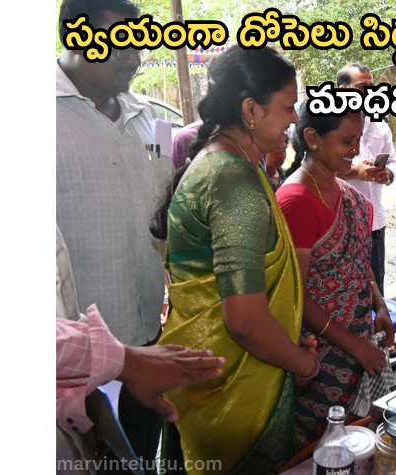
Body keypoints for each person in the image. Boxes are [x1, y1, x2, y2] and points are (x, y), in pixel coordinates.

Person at [150, 44, 321, 475]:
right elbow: (244, 320)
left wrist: (284, 335)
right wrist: (303, 363)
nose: (295, 119)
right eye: (287, 107)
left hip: (209, 372)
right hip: (234, 392)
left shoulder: (224, 161)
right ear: (250, 109)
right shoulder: (234, 181)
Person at [57, 0, 174, 468]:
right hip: (73, 353)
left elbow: (164, 206)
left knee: (141, 453)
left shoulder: (155, 119)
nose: (135, 55)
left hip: (148, 330)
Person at [56, 226, 226, 475]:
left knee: (139, 443)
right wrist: (124, 360)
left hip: (135, 338)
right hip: (112, 351)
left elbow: (66, 308)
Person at [277, 102, 395, 446]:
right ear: (312, 138)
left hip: (358, 341)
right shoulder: (295, 200)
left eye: (358, 139)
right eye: (347, 141)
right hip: (318, 355)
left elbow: (361, 262)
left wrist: (380, 305)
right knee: (322, 447)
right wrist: (355, 346)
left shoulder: (350, 195)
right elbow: (296, 296)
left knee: (357, 441)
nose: (356, 150)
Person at [334, 63, 396, 295]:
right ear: (343, 90)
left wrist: (387, 173)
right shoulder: (327, 125)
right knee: (342, 289)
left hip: (374, 221)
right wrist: (355, 172)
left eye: (372, 87)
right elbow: (316, 165)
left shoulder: (379, 125)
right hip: (338, 223)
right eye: (363, 87)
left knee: (374, 290)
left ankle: (374, 330)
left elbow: (394, 161)